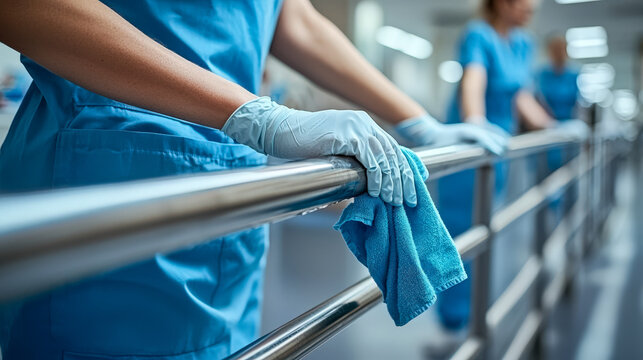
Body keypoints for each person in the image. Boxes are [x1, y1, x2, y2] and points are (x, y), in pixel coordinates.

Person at [0, 1, 506, 359]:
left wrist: (415, 119)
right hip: (110, 182)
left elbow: (295, 18)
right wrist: (257, 116)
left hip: (234, 192)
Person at [435, 0, 555, 334]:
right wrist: (475, 121)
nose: (533, 6)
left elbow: (522, 98)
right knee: (460, 236)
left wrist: (554, 128)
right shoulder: (478, 34)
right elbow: (473, 81)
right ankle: (452, 325)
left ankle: (474, 319)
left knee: (485, 230)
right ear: (502, 3)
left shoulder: (523, 43)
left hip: (496, 153)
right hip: (470, 152)